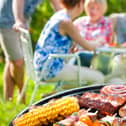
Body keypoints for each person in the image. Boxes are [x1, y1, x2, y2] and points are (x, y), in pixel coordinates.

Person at [0, 0, 62, 102]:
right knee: (18, 61)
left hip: (23, 20)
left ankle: (8, 99)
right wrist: (18, 19)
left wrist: (68, 22)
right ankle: (22, 94)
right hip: (7, 20)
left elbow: (56, 4)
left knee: (11, 60)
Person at [33, 0, 105, 86]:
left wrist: (69, 46)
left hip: (42, 65)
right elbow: (88, 47)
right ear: (80, 4)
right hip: (51, 69)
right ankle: (83, 98)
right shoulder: (66, 22)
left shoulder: (59, 15)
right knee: (98, 77)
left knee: (81, 71)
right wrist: (99, 41)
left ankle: (63, 95)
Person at [70, 0, 113, 67]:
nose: (93, 11)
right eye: (91, 8)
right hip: (78, 56)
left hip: (97, 57)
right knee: (80, 56)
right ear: (86, 8)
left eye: (98, 8)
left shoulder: (106, 23)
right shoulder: (78, 22)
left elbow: (105, 42)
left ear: (102, 10)